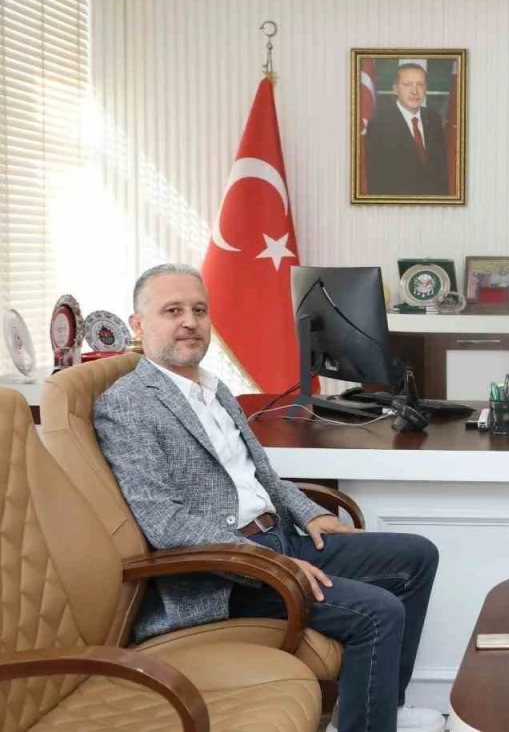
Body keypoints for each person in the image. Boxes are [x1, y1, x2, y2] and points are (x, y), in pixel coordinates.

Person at [94, 263, 444, 732]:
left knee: (417, 555)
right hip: (226, 575)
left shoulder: (213, 389)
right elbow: (163, 520)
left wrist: (311, 514)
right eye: (172, 311)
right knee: (378, 612)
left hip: (278, 539)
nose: (190, 322)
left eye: (199, 310)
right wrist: (267, 561)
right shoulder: (126, 404)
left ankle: (383, 711)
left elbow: (261, 475)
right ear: (138, 325)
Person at [364, 62, 450, 196]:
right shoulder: (379, 124)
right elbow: (377, 181)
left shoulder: (434, 119)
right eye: (407, 84)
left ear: (426, 88)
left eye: (420, 84)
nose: (415, 91)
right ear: (395, 89)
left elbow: (441, 173)